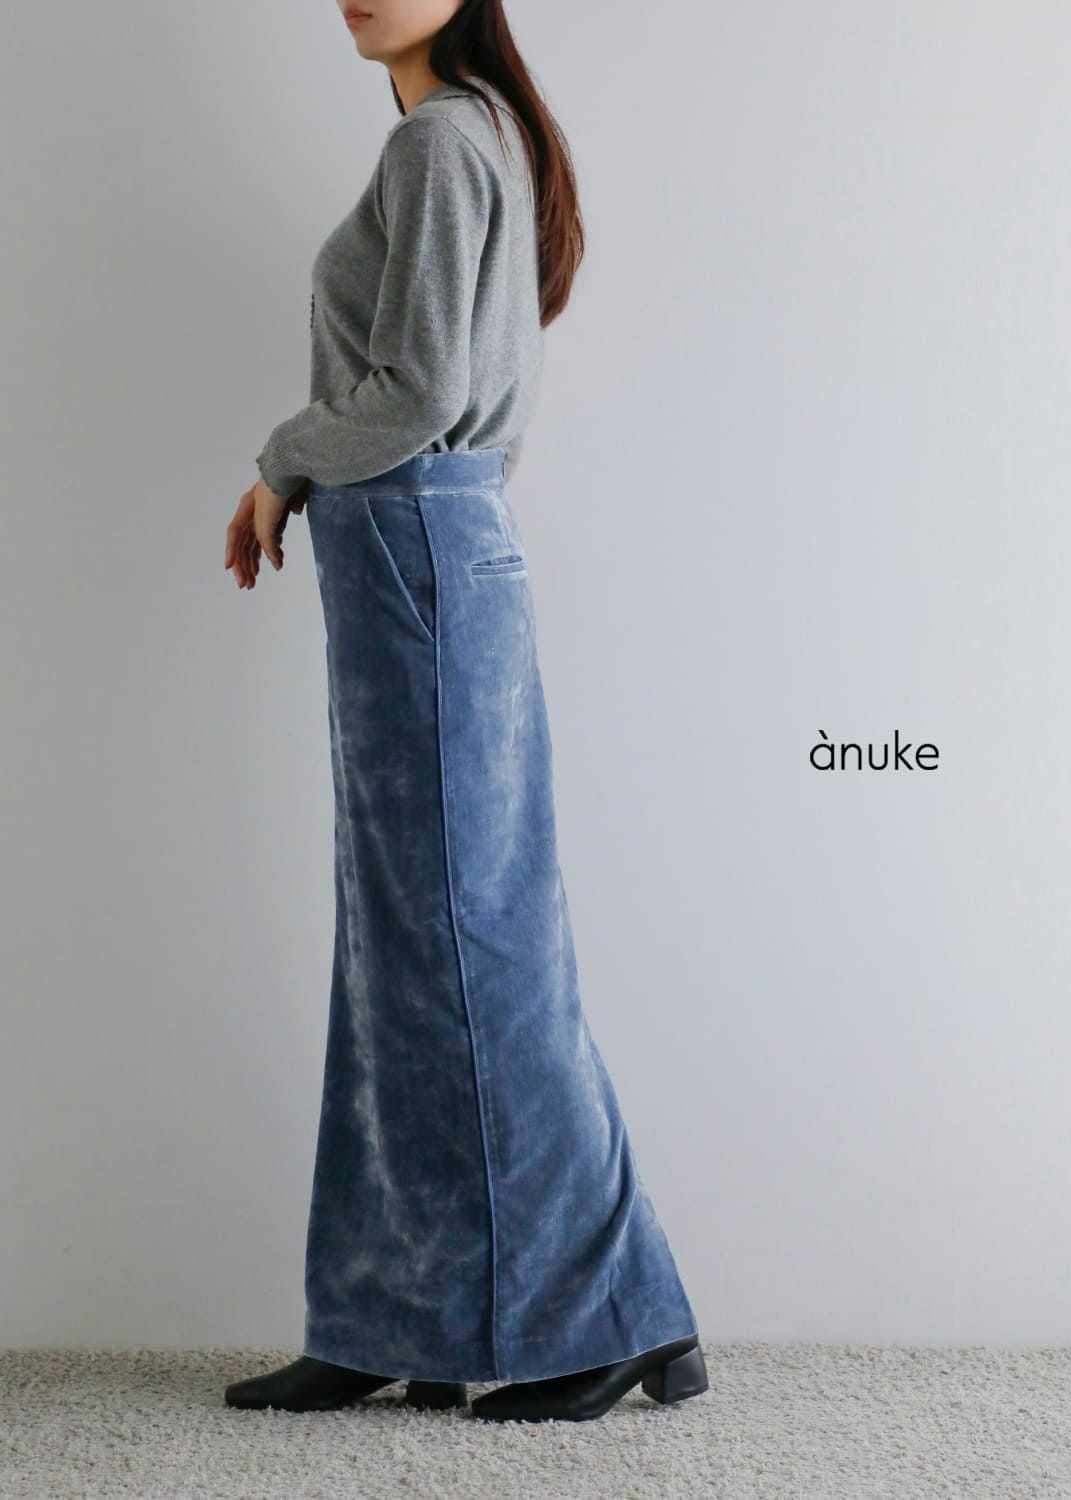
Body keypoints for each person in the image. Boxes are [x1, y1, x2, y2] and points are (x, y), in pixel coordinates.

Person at [222, 0, 707, 1424]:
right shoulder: (484, 131)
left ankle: (611, 1316)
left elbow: (422, 390)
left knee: (464, 945)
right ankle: (401, 1311)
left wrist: (280, 462)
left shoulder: (442, 141)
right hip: (436, 542)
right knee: (422, 940)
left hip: (414, 538)